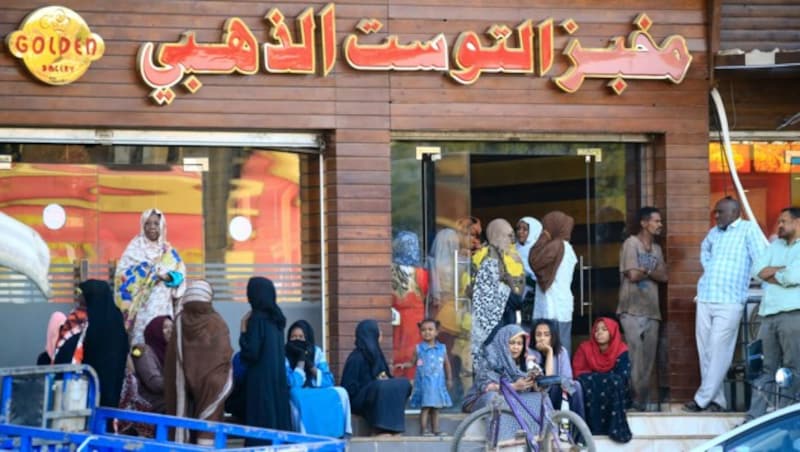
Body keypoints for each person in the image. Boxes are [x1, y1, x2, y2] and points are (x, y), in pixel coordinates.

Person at [684, 198, 766, 413]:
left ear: (734, 212)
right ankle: (717, 401)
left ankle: (702, 399)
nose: (716, 216)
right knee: (706, 352)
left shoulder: (748, 230)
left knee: (719, 351)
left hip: (730, 300)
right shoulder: (714, 232)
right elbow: (705, 251)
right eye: (715, 212)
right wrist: (712, 268)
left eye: (720, 212)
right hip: (705, 296)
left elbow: (760, 261)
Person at [745, 207, 800, 422]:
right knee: (764, 368)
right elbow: (757, 270)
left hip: (793, 315)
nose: (779, 226)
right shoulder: (774, 245)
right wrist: (783, 271)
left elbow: (794, 276)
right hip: (768, 314)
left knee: (793, 367)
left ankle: (786, 416)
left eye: (783, 221)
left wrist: (774, 273)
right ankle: (754, 418)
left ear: (797, 222)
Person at [164, 280, 232, 445]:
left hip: (181, 381)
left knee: (182, 414)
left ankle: (181, 445)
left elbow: (172, 358)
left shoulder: (180, 321)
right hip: (213, 383)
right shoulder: (217, 322)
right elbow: (226, 353)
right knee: (209, 423)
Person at [462, 324, 555, 440]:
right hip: (482, 398)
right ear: (503, 342)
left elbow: (537, 388)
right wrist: (514, 386)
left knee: (541, 398)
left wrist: (534, 382)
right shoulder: (490, 357)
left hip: (511, 397)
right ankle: (504, 441)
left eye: (519, 344)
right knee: (494, 398)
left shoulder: (526, 361)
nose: (516, 347)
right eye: (512, 343)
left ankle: (546, 439)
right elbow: (486, 386)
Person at [617, 207, 668, 411]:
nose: (660, 225)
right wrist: (650, 271)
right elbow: (632, 275)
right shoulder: (631, 244)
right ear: (644, 223)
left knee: (648, 360)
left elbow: (665, 276)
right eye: (656, 221)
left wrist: (644, 270)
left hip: (652, 310)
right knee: (634, 357)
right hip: (631, 309)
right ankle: (633, 399)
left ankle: (641, 401)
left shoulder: (656, 249)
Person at [115, 208, 187, 345]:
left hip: (162, 306)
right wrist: (146, 276)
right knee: (142, 346)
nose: (152, 227)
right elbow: (121, 275)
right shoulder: (134, 248)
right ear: (143, 225)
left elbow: (180, 276)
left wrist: (166, 277)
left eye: (156, 223)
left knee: (162, 341)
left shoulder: (168, 251)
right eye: (148, 223)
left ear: (162, 226)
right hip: (141, 309)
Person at [239, 276, 292, 445]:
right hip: (277, 381)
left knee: (261, 428)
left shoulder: (257, 319)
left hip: (260, 382)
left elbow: (251, 353)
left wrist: (243, 331)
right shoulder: (277, 321)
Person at [471, 218, 525, 376]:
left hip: (505, 312)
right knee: (494, 352)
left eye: (511, 236)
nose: (511, 239)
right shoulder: (487, 255)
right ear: (497, 235)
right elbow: (486, 288)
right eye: (507, 235)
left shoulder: (509, 254)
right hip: (492, 317)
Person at [341, 319, 412, 435]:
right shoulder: (356, 358)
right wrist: (373, 384)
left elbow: (386, 376)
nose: (381, 335)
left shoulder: (378, 355)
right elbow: (349, 389)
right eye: (378, 331)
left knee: (403, 384)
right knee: (380, 387)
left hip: (378, 393)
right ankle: (380, 428)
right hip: (360, 400)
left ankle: (394, 428)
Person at [284, 320, 352, 438]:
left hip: (315, 389)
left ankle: (340, 434)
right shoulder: (283, 354)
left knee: (341, 392)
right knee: (296, 395)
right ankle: (305, 437)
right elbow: (291, 383)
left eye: (301, 337)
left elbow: (329, 380)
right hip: (298, 391)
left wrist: (311, 366)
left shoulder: (316, 351)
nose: (297, 340)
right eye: (293, 337)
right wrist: (300, 362)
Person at [573, 317, 632, 443]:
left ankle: (613, 427)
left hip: (614, 392)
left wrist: (598, 378)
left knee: (615, 383)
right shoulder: (585, 348)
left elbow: (622, 376)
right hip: (591, 391)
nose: (599, 332)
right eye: (596, 330)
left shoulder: (621, 350)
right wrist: (604, 378)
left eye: (604, 329)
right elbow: (578, 373)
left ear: (612, 332)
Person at [530, 211, 577, 353]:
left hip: (552, 304)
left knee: (551, 348)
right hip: (561, 305)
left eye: (547, 226)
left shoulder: (556, 245)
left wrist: (544, 237)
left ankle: (554, 375)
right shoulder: (567, 247)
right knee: (561, 348)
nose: (544, 230)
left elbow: (534, 261)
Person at [78, 279, 129, 409]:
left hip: (90, 377)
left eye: (83, 294)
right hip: (114, 377)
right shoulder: (116, 316)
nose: (79, 297)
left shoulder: (88, 317)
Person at [119, 315, 172, 437]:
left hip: (164, 397)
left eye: (172, 327)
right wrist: (179, 384)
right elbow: (154, 383)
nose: (170, 331)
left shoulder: (171, 351)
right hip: (150, 400)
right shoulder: (143, 351)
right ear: (155, 331)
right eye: (164, 328)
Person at [399, 319, 453, 436]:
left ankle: (436, 429)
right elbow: (412, 363)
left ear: (436, 332)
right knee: (426, 407)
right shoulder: (418, 348)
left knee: (436, 408)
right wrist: (403, 365)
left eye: (430, 329)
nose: (427, 332)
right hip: (425, 384)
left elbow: (447, 364)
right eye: (423, 330)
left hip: (438, 383)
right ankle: (424, 430)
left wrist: (449, 379)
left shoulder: (442, 348)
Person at [528, 318, 585, 419]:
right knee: (554, 386)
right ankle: (554, 422)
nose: (542, 338)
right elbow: (547, 380)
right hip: (538, 391)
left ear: (552, 337)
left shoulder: (561, 352)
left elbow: (567, 377)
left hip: (559, 387)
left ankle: (578, 427)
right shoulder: (529, 353)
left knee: (576, 386)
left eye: (546, 335)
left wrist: (567, 386)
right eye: (538, 335)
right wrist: (549, 352)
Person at [391, 231, 428, 380]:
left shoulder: (390, 270)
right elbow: (425, 292)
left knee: (397, 347)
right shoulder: (421, 273)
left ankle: (397, 378)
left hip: (396, 316)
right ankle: (412, 382)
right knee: (414, 349)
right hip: (416, 318)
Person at [516, 217, 543, 327]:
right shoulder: (513, 248)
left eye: (525, 229)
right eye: (518, 228)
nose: (520, 232)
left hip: (531, 298)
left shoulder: (538, 250)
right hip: (514, 297)